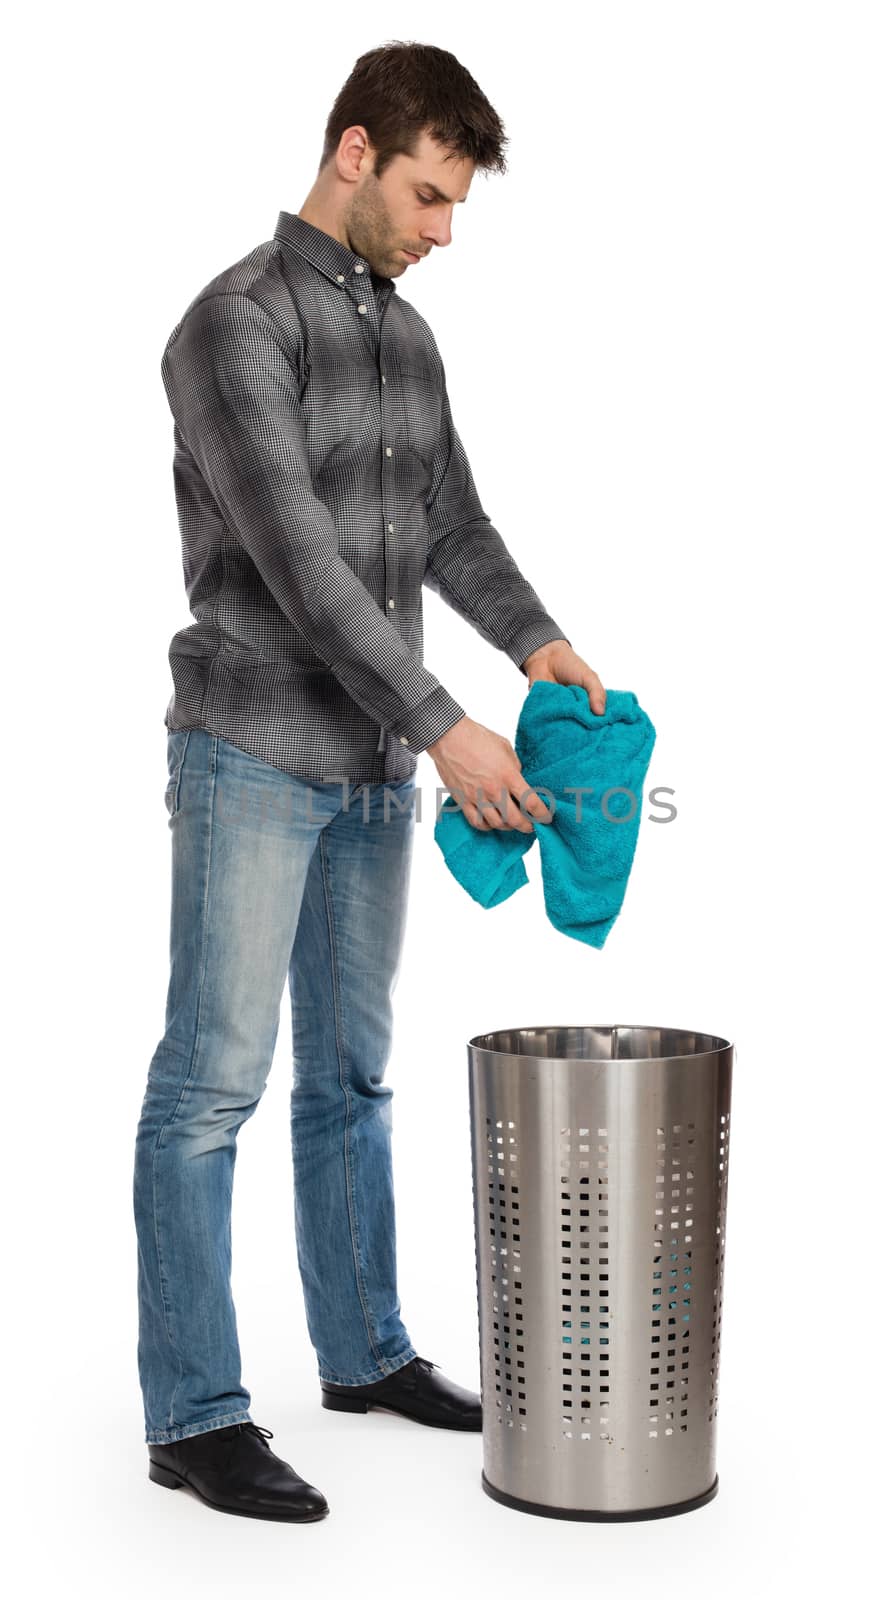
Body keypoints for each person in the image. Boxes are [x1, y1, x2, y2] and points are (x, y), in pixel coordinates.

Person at [133, 38, 606, 1525]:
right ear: (352, 151)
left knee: (350, 1075)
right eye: (426, 194)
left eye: (458, 203)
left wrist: (535, 642)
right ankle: (196, 1415)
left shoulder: (402, 337)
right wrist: (448, 725)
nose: (442, 229)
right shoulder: (231, 327)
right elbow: (302, 566)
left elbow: (447, 523)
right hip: (254, 750)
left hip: (370, 769)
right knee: (212, 1085)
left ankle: (362, 1353)